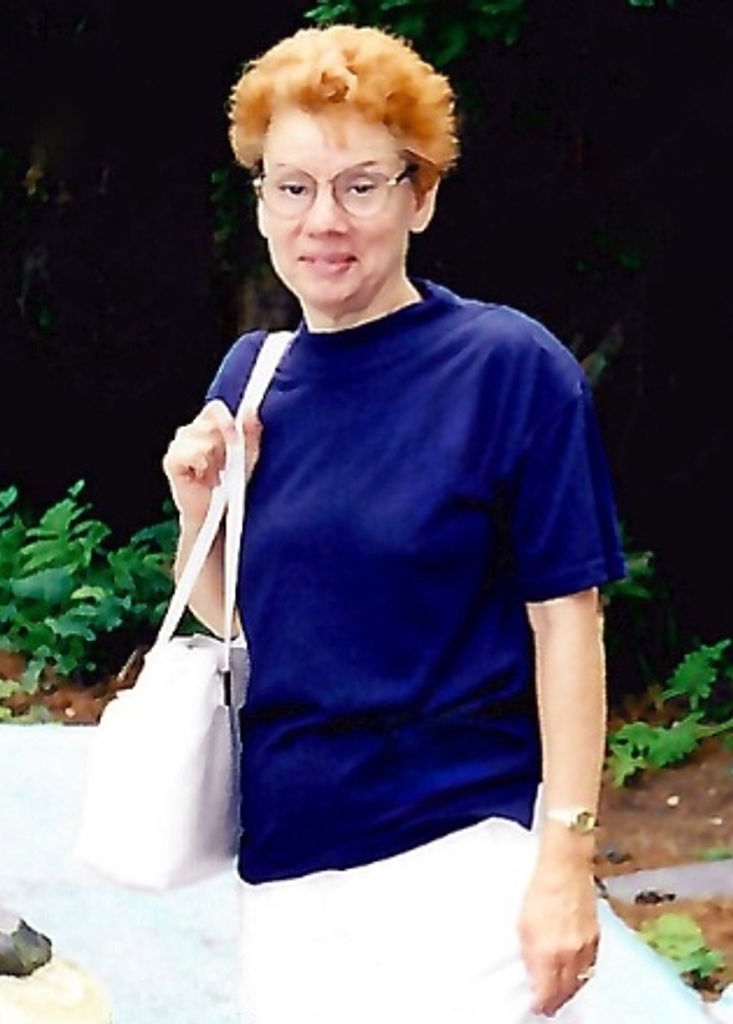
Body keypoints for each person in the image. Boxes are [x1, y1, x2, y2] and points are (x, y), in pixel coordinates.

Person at [163, 23, 633, 1024]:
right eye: (293, 187)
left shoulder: (507, 369)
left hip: (461, 862)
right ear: (261, 202)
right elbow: (245, 620)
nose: (323, 220)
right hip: (287, 870)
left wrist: (566, 853)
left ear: (420, 195)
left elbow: (568, 621)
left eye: (360, 186)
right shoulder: (252, 377)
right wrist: (198, 509)